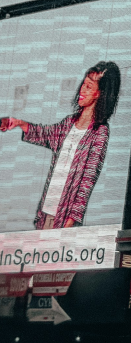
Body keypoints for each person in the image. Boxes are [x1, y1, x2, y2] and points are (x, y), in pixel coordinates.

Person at [0, 61, 120, 229]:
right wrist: (19, 123)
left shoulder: (99, 132)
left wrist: (71, 222)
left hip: (64, 220)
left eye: (88, 87)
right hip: (46, 212)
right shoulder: (68, 123)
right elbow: (45, 134)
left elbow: (87, 181)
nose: (82, 91)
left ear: (99, 94)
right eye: (83, 84)